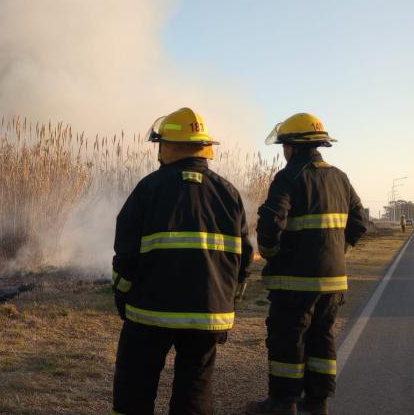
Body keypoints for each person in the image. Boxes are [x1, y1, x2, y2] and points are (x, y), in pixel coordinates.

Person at [111, 107, 253, 415]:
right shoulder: (229, 194)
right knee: (195, 389)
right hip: (207, 315)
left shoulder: (149, 189)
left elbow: (125, 255)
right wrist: (226, 304)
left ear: (169, 146)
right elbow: (242, 260)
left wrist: (123, 297)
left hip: (149, 314)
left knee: (134, 388)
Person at [246, 113, 368, 415]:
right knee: (321, 339)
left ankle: (282, 402)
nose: (283, 151)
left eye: (284, 145)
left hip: (294, 283)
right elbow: (360, 222)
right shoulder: (340, 176)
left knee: (288, 339)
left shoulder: (289, 176)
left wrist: (271, 252)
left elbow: (272, 220)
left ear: (293, 146)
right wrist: (340, 250)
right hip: (333, 281)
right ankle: (317, 402)